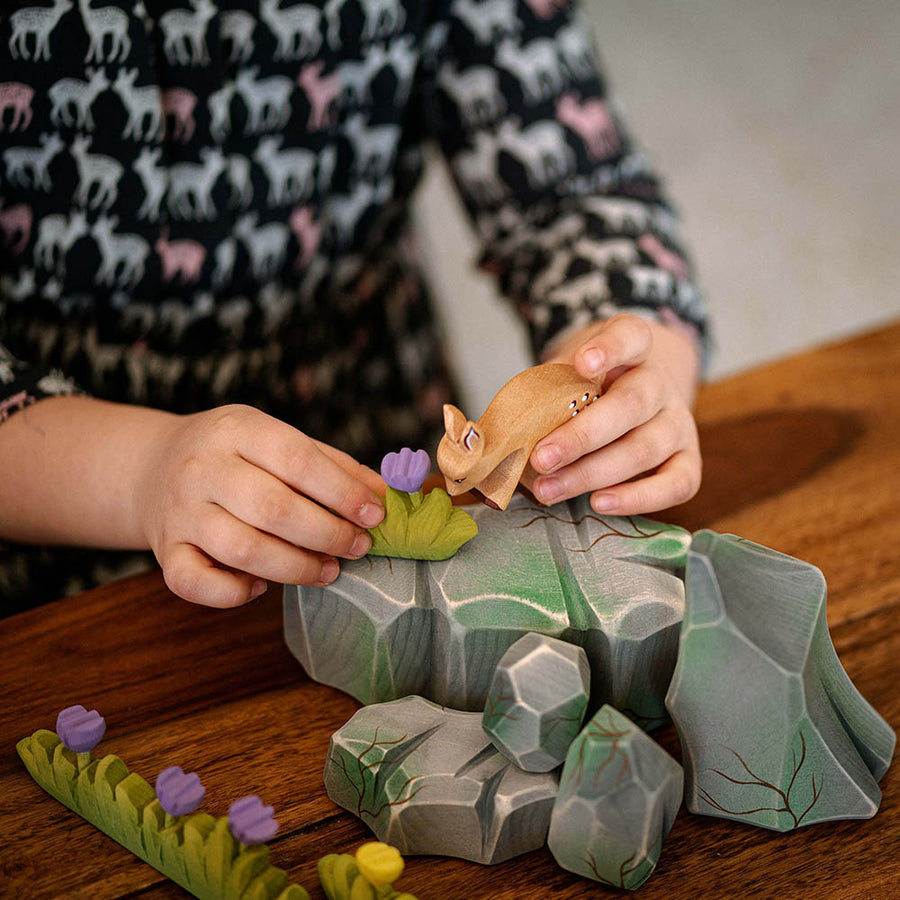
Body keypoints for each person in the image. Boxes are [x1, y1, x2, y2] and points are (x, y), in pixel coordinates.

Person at [0, 0, 708, 615]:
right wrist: (141, 471)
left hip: (374, 412)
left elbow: (578, 192)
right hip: (59, 489)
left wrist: (631, 369)